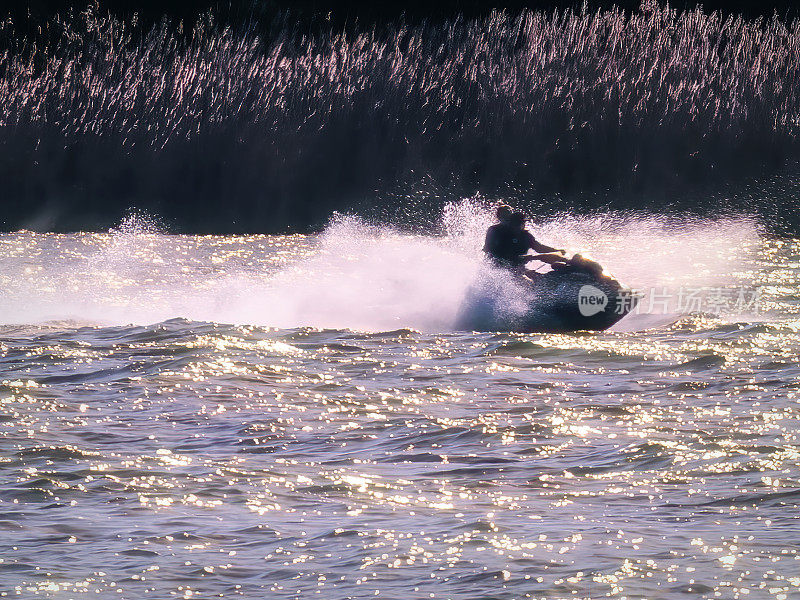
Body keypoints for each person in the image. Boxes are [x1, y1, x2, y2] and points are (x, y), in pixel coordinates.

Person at [483, 207, 570, 277]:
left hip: (518, 266)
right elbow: (490, 251)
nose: (519, 226)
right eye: (516, 223)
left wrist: (556, 250)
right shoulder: (497, 232)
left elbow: (539, 248)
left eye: (521, 223)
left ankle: (570, 264)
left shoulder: (525, 235)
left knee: (540, 259)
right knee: (530, 269)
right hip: (499, 268)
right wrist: (521, 259)